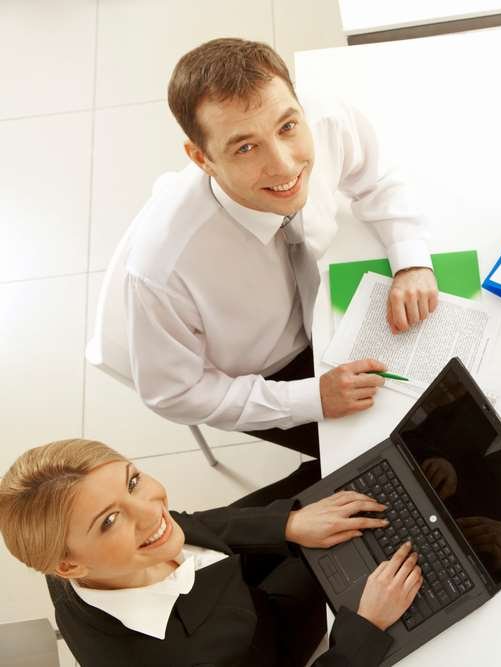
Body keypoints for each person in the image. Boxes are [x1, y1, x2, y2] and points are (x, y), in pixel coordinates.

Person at [125, 38, 440, 459]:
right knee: (403, 457)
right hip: (270, 372)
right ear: (201, 159)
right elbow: (175, 392)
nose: (285, 165)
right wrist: (309, 399)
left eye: (287, 128)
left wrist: (411, 260)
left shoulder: (323, 116)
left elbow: (376, 178)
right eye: (245, 147)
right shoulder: (162, 271)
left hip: (334, 306)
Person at [0, 439, 422, 666]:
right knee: (376, 556)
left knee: (324, 481)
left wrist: (287, 524)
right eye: (110, 520)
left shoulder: (78, 557)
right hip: (263, 641)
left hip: (224, 575)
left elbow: (182, 523)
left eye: (132, 482)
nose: (151, 511)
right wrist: (366, 627)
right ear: (68, 565)